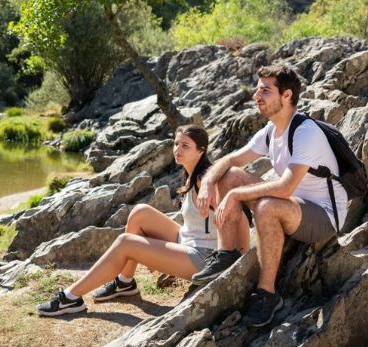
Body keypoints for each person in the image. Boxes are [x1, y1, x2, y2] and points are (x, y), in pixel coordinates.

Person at [191, 64, 348, 328]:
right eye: (257, 89)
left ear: (286, 96)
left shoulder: (305, 132)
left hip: (324, 216)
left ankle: (267, 294)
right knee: (228, 175)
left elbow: (285, 188)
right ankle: (226, 253)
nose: (257, 96)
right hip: (293, 206)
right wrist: (207, 183)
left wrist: (236, 196)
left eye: (265, 90)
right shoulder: (271, 131)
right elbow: (231, 159)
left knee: (265, 207)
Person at [36, 124, 249, 316]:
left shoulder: (206, 180)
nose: (177, 149)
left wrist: (240, 259)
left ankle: (70, 297)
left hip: (204, 257)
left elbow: (237, 215)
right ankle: (125, 282)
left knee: (125, 243)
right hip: (188, 240)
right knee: (140, 212)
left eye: (185, 145)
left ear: (201, 150)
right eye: (176, 143)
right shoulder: (191, 175)